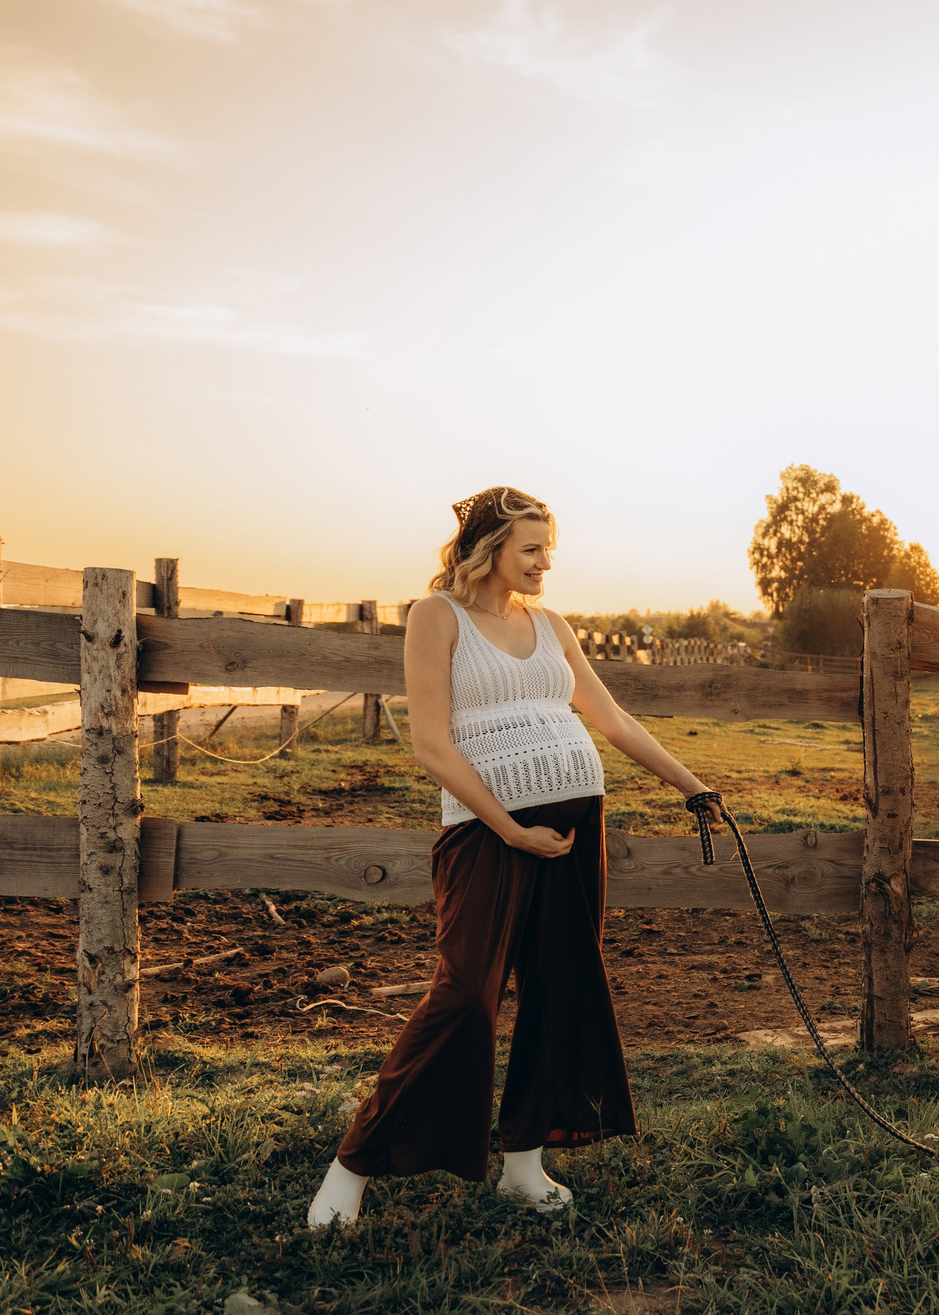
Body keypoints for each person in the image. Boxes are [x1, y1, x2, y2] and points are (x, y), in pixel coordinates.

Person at [307, 486, 721, 1227]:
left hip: (574, 828)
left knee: (561, 988)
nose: (544, 563)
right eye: (531, 549)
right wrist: (508, 828)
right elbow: (432, 744)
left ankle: (524, 1166)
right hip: (486, 831)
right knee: (466, 995)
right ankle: (353, 1166)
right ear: (488, 547)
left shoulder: (551, 624)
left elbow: (610, 717)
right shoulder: (437, 617)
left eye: (547, 549)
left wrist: (693, 787)